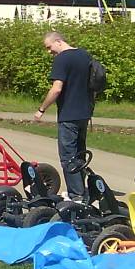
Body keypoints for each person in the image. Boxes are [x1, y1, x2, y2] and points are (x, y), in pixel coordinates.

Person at [33, 31, 94, 202]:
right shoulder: (84, 55)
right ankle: (81, 190)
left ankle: (76, 195)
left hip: (69, 114)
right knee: (80, 154)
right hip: (84, 113)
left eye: (49, 47)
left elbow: (56, 89)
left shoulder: (62, 59)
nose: (49, 52)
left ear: (58, 41)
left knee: (68, 156)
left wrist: (41, 109)